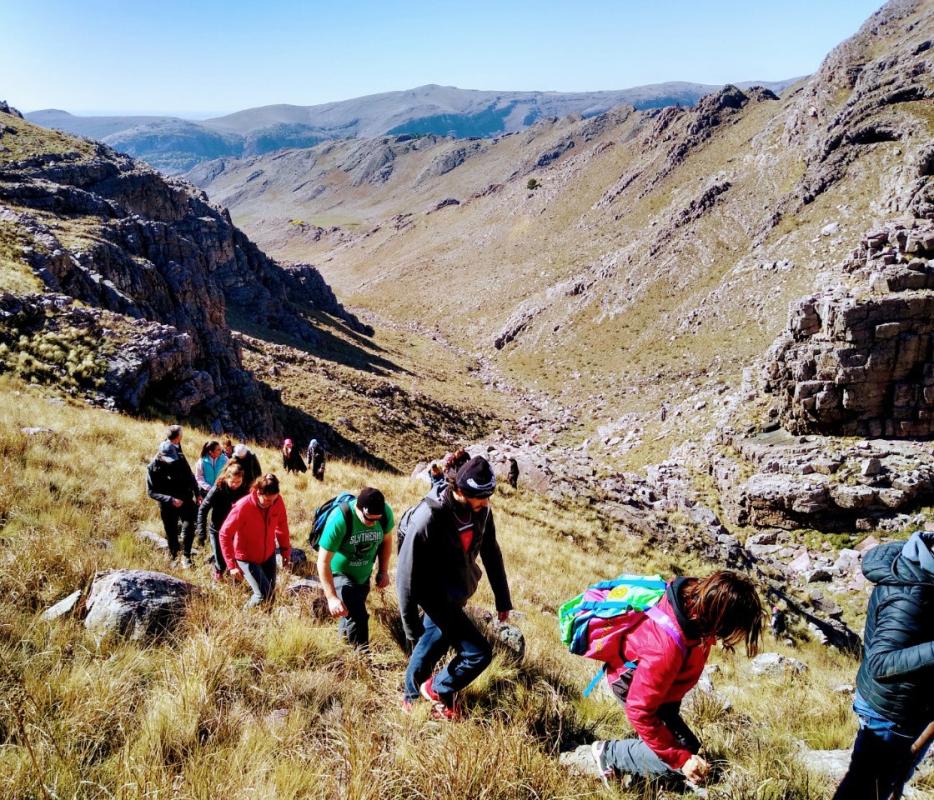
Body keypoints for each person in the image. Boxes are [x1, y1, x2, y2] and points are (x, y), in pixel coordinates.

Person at [590, 571, 763, 789]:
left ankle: (642, 756)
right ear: (719, 619)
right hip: (632, 686)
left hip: (665, 692)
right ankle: (609, 754)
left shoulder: (693, 601)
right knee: (679, 759)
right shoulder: (665, 649)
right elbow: (640, 711)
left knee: (688, 746)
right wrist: (681, 761)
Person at [397, 455, 512, 720]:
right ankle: (435, 689)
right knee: (478, 653)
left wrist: (502, 599)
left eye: (488, 496)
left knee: (433, 642)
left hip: (456, 589)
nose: (486, 503)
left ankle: (413, 697)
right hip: (433, 592)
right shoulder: (429, 516)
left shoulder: (482, 511)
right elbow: (405, 574)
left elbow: (491, 552)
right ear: (461, 491)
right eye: (481, 497)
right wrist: (408, 623)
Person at [833, 531, 934, 800]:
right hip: (891, 713)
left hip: (907, 707)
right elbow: (881, 662)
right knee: (867, 788)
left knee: (880, 782)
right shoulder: (909, 597)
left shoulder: (922, 568)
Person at [317, 487, 395, 649]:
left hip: (363, 574)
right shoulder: (341, 519)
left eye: (376, 519)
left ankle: (343, 650)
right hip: (339, 573)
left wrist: (383, 571)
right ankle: (362, 660)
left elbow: (387, 541)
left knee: (348, 613)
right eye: (368, 519)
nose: (372, 523)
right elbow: (323, 561)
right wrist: (331, 597)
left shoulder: (385, 514)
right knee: (359, 616)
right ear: (358, 509)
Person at [218, 473, 292, 607]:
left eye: (274, 500)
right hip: (247, 558)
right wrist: (231, 565)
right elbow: (224, 534)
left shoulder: (277, 501)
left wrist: (285, 552)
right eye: (268, 500)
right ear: (258, 492)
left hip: (269, 555)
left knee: (270, 594)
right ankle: (244, 618)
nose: (271, 504)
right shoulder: (243, 507)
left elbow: (282, 527)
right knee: (262, 595)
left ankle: (265, 623)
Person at [146, 425, 199, 568]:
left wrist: (197, 493)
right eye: (168, 459)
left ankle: (186, 556)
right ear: (160, 455)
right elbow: (151, 491)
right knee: (171, 531)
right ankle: (174, 556)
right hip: (168, 504)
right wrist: (170, 500)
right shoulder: (152, 468)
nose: (171, 461)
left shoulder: (178, 457)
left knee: (189, 525)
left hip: (185, 497)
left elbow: (190, 475)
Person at [196, 461, 248, 581]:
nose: (235, 484)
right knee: (220, 559)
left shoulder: (244, 490)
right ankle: (218, 576)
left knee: (235, 558)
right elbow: (203, 509)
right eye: (232, 482)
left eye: (238, 482)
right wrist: (201, 532)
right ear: (226, 478)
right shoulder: (218, 489)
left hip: (235, 530)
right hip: (217, 529)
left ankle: (236, 582)